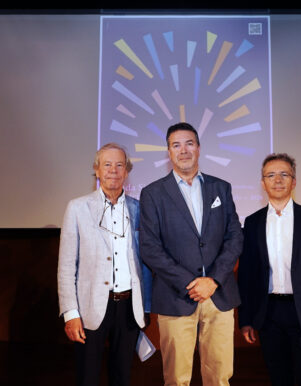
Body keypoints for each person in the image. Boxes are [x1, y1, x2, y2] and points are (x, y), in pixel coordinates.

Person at [140, 122, 243, 386]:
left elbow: (235, 237)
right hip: (176, 297)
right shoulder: (152, 194)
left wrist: (212, 280)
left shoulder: (221, 188)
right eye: (176, 145)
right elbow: (150, 247)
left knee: (219, 378)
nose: (183, 150)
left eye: (189, 143)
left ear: (198, 148)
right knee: (176, 379)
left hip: (218, 295)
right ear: (168, 152)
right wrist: (191, 284)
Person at [237, 153, 301, 386]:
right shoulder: (252, 223)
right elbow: (246, 276)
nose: (278, 180)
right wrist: (246, 319)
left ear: (294, 181)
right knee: (279, 378)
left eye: (284, 174)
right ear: (263, 183)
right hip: (268, 314)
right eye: (271, 175)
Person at [57, 143, 152, 386]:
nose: (113, 170)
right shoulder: (77, 208)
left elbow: (145, 262)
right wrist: (70, 313)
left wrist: (146, 306)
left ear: (126, 172)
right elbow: (67, 266)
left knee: (122, 377)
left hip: (129, 307)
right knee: (87, 377)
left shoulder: (138, 209)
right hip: (90, 308)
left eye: (119, 165)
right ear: (97, 170)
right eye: (107, 165)